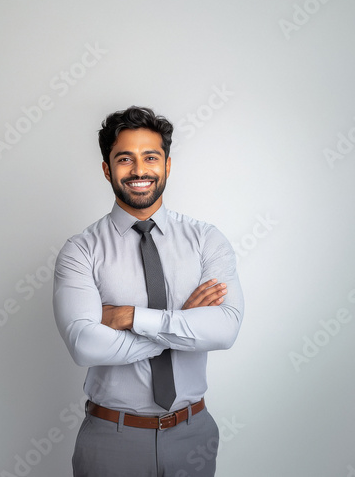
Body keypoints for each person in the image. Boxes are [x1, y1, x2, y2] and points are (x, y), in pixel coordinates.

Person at [53, 106, 244, 477]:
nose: (139, 170)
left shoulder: (206, 240)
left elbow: (225, 330)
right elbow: (84, 345)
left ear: (167, 166)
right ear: (107, 169)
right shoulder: (81, 250)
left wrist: (131, 318)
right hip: (111, 440)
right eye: (125, 159)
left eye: (151, 157)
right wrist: (184, 323)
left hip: (194, 435)